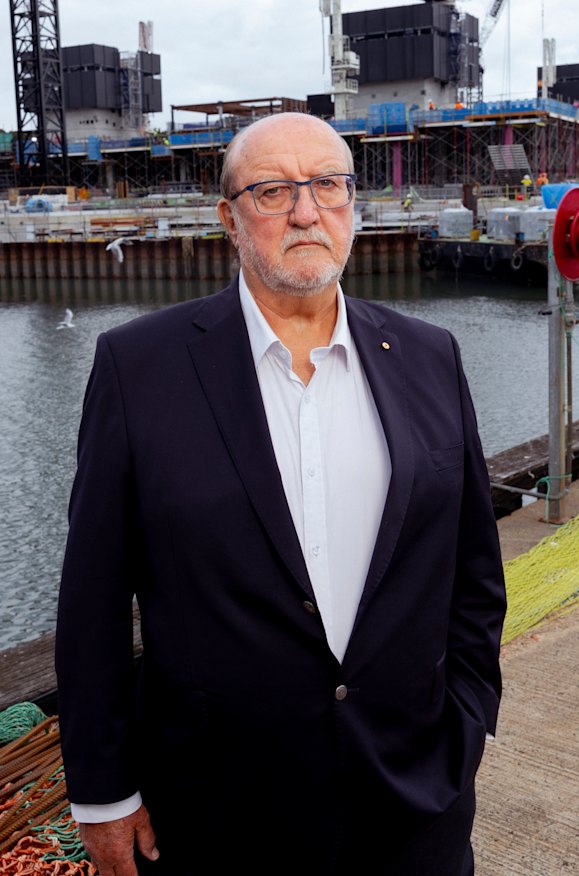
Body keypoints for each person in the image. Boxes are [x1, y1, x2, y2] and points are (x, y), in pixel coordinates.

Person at [56, 111, 507, 876]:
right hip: (218, 814)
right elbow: (93, 600)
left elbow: (474, 571)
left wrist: (467, 719)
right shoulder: (139, 368)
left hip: (414, 806)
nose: (306, 211)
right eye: (273, 191)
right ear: (229, 218)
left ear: (352, 205)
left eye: (328, 185)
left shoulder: (431, 355)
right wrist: (103, 793)